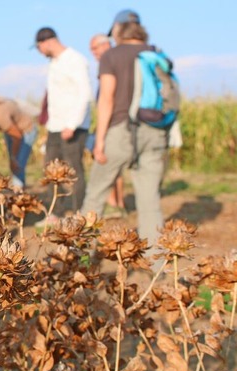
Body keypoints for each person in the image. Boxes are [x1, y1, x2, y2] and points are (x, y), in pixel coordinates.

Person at [82, 10, 168, 255]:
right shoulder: (156, 53)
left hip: (121, 131)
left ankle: (80, 257)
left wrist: (99, 142)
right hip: (154, 132)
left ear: (118, 30)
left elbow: (106, 99)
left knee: (95, 196)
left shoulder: (112, 55)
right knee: (150, 201)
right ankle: (157, 263)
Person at [34, 27, 92, 221]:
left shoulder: (75, 60)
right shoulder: (54, 63)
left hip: (73, 126)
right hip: (55, 126)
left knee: (74, 170)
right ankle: (55, 213)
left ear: (48, 42)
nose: (39, 52)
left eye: (38, 47)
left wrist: (72, 124)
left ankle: (79, 213)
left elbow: (84, 94)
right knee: (51, 169)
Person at [89, 33, 127, 218]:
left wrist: (100, 139)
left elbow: (106, 100)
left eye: (94, 48)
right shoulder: (120, 61)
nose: (93, 52)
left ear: (105, 45)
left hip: (112, 123)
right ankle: (119, 203)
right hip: (118, 122)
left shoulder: (109, 61)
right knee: (117, 170)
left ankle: (112, 205)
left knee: (105, 163)